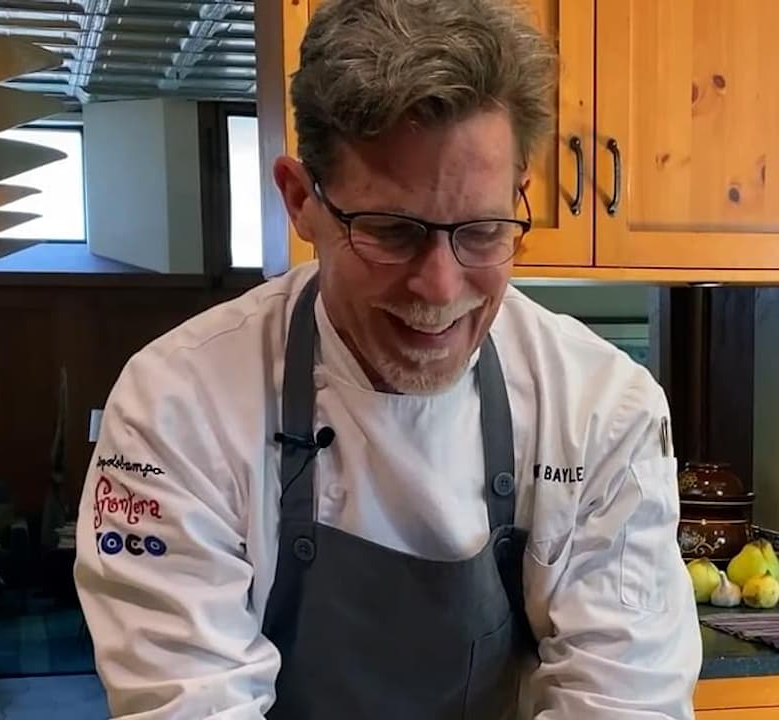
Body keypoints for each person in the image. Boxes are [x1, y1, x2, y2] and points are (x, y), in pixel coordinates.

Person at [73, 0, 701, 718]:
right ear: (301, 200)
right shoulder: (179, 406)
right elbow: (189, 704)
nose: (440, 287)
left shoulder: (601, 409)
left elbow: (625, 698)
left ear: (519, 198)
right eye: (392, 232)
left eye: (482, 230)